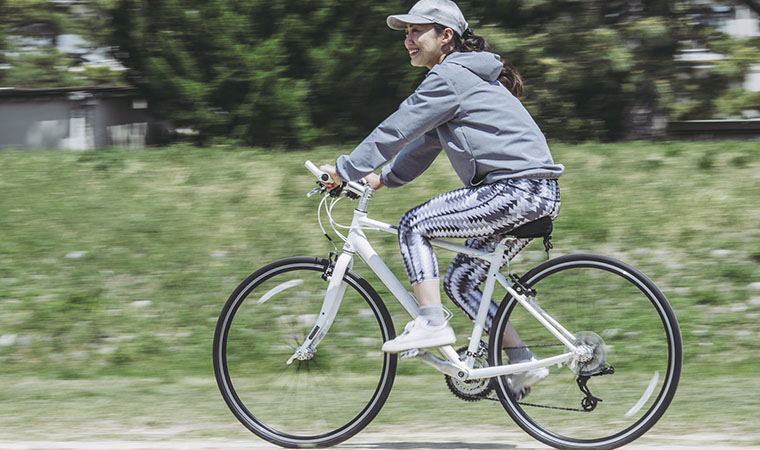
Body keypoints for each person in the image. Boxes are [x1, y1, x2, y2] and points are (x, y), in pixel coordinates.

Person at [319, 0, 563, 397]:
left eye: (417, 31)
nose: (408, 40)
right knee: (463, 281)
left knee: (414, 225)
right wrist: (383, 180)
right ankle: (519, 359)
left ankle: (432, 322)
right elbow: (424, 144)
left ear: (445, 36)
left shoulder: (449, 78)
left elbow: (396, 129)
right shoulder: (464, 77)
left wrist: (343, 169)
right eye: (405, 33)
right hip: (534, 193)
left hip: (516, 191)